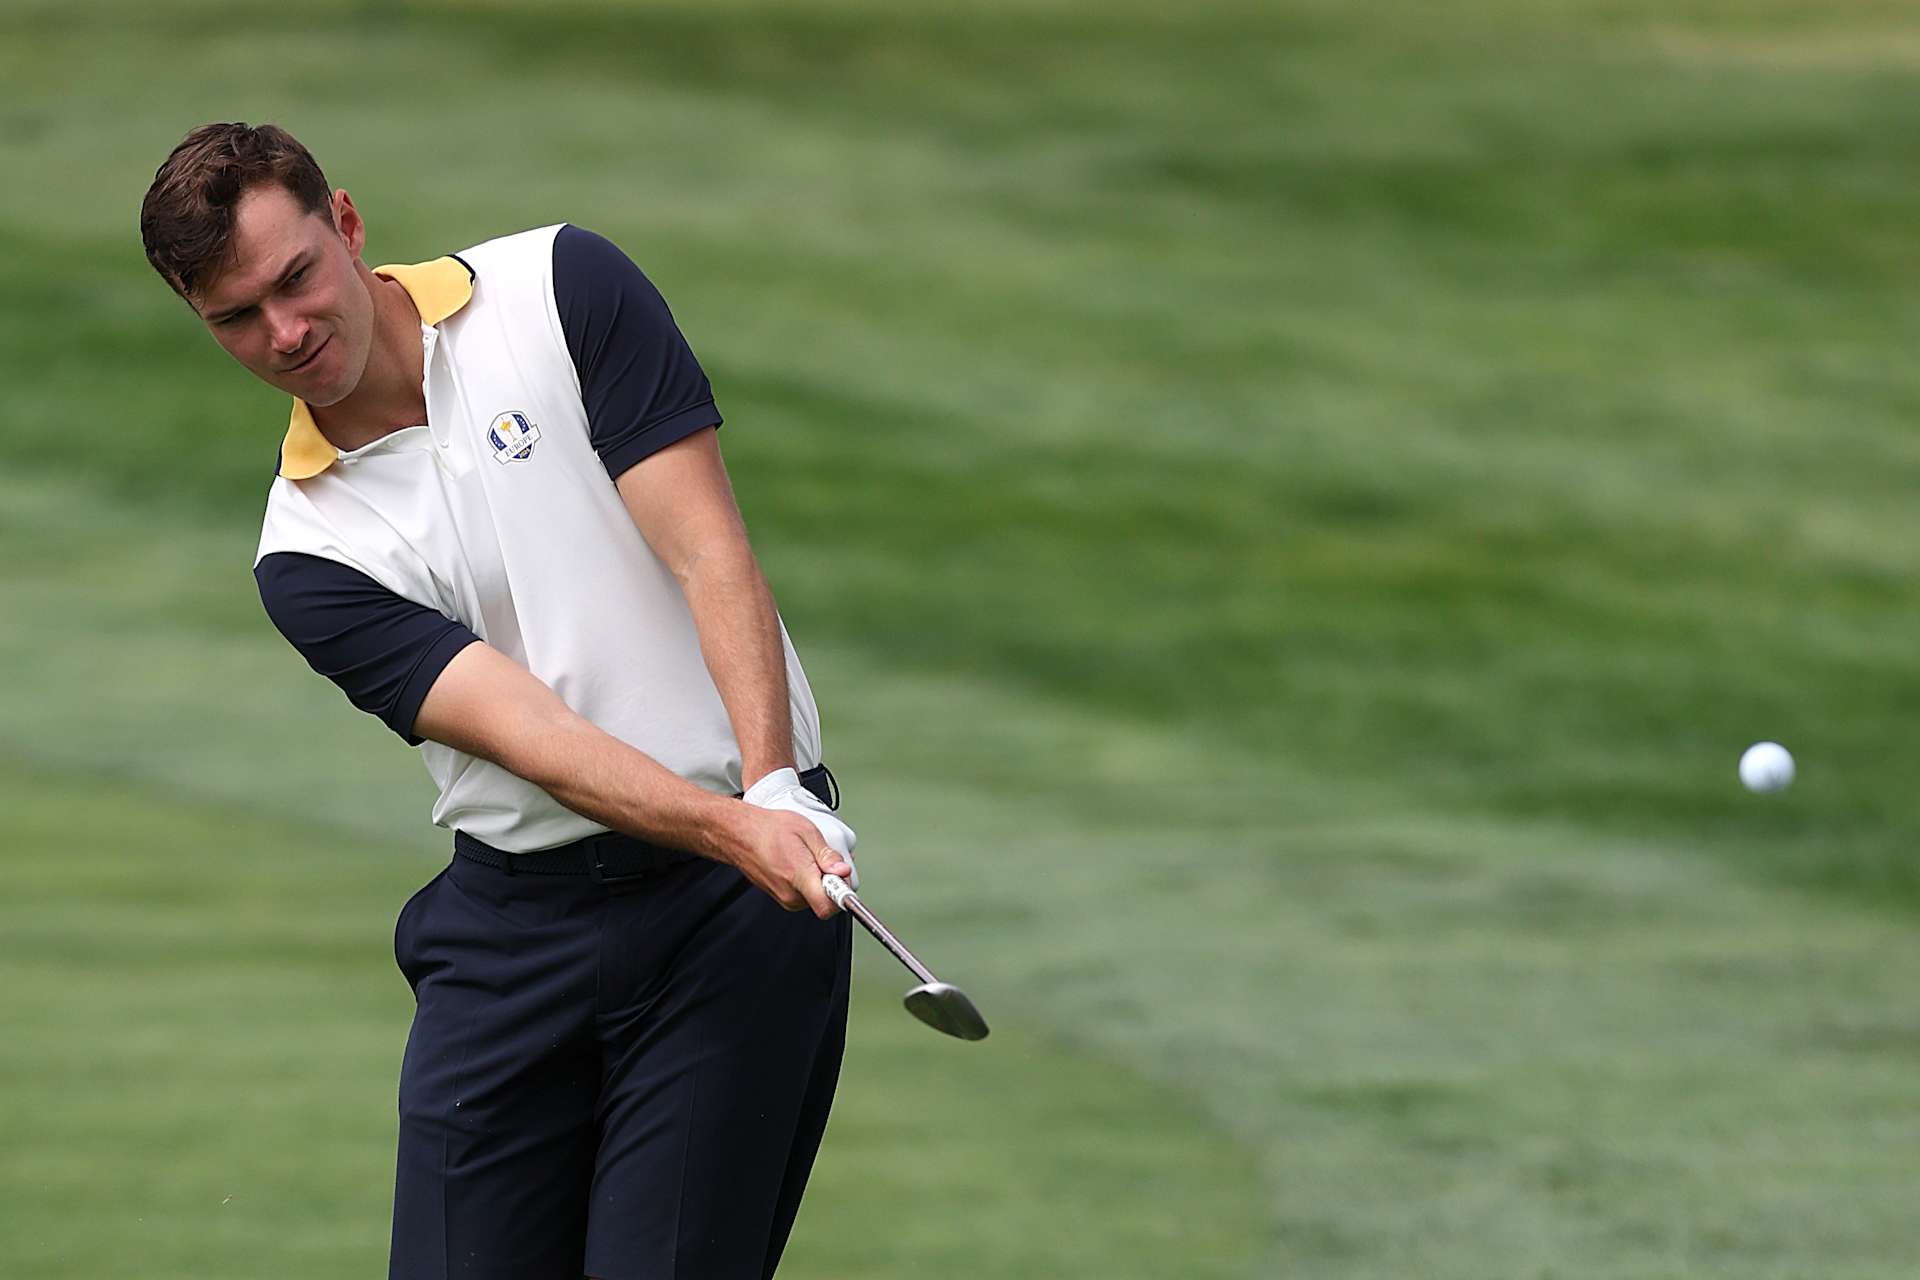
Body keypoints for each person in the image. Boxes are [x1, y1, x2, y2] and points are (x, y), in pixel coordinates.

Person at [139, 121, 860, 1280]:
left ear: (349, 224)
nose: (285, 332)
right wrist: (741, 822)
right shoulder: (308, 553)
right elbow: (544, 742)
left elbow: (708, 550)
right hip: (517, 933)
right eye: (236, 317)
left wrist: (774, 786)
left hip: (729, 919)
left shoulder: (561, 289)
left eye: (296, 278)